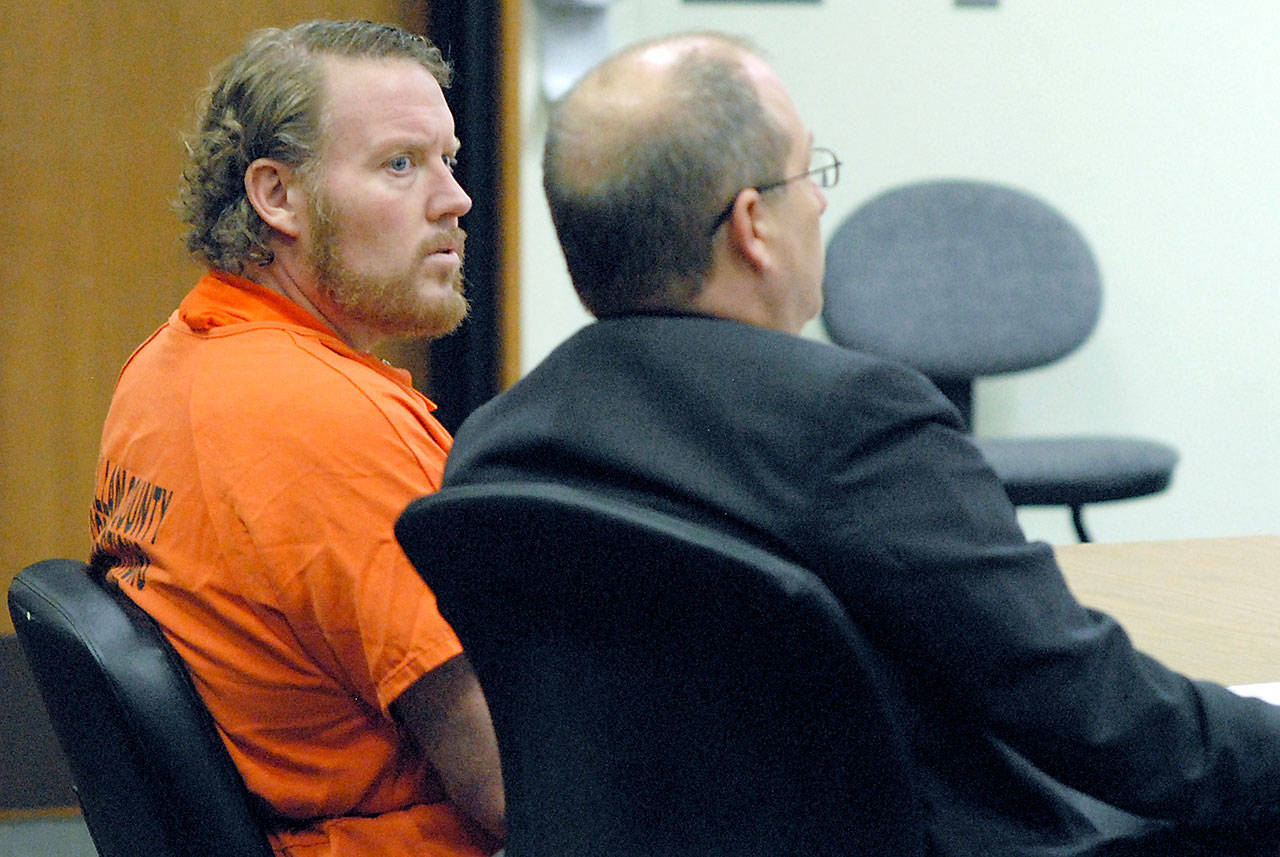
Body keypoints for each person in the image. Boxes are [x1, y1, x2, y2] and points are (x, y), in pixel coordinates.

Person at [440, 31, 1280, 857]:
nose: (820, 201)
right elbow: (1100, 716)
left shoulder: (497, 447)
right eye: (808, 172)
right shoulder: (853, 420)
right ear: (752, 227)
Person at [88, 20, 504, 857]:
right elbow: (514, 785)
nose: (454, 198)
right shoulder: (330, 423)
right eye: (400, 164)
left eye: (448, 159)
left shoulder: (168, 364)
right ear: (276, 196)